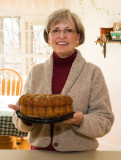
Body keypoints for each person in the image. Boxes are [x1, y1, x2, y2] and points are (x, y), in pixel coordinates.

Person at [9, 9, 114, 152]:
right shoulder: (36, 72)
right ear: (48, 38)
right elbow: (18, 119)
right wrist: (23, 118)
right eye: (56, 30)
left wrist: (81, 121)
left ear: (78, 37)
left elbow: (105, 120)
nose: (62, 36)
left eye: (69, 30)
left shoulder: (93, 72)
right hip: (39, 153)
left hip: (80, 154)